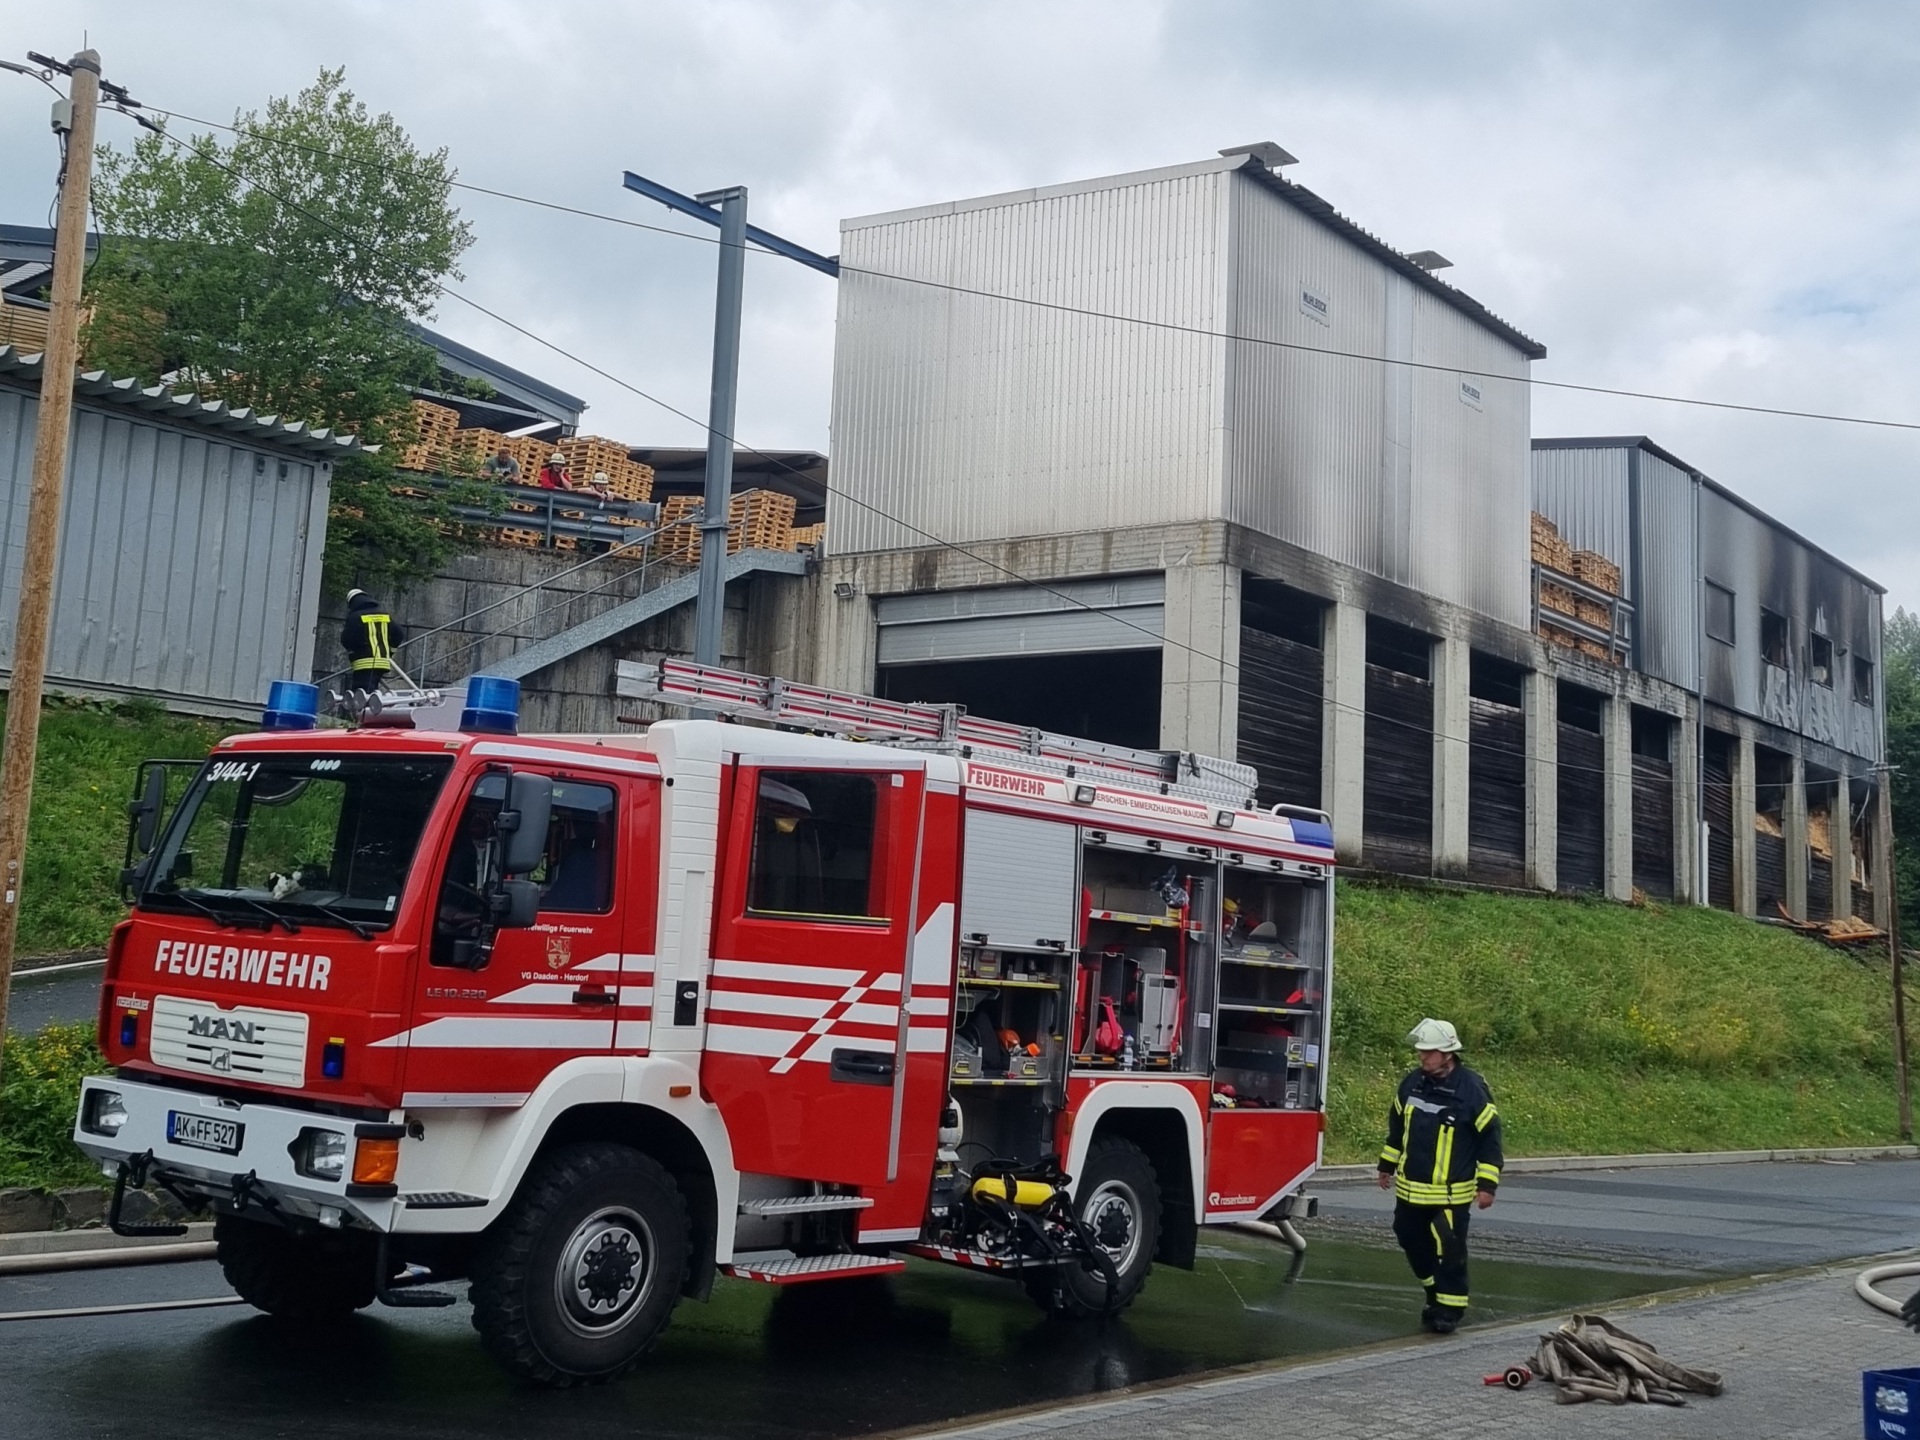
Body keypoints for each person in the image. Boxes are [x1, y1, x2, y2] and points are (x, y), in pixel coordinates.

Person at [1376, 1017, 1503, 1335]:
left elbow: (1490, 1139)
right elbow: (1397, 1128)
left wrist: (1487, 1185)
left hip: (1449, 1196)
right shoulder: (1411, 1084)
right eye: (1420, 1051)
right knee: (1408, 1237)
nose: (1421, 1057)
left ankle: (1449, 1311)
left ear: (1447, 1053)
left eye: (1428, 1052)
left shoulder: (1471, 1090)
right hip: (1410, 1191)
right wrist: (1386, 1165)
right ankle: (1434, 1292)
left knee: (1450, 1250)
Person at [339, 588, 401, 698]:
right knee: (371, 691)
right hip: (382, 662)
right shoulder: (385, 615)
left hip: (363, 663)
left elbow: (346, 639)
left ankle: (363, 714)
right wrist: (389, 652)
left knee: (362, 695)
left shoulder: (355, 617)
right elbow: (398, 635)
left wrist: (354, 650)